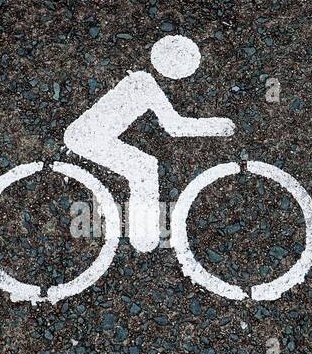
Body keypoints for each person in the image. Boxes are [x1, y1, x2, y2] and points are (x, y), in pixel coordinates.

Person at [64, 35, 233, 253]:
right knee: (143, 167)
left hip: (87, 135)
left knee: (144, 164)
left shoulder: (141, 80)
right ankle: (143, 237)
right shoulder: (144, 84)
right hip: (87, 138)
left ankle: (142, 234)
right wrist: (219, 127)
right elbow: (175, 127)